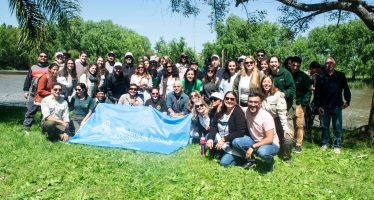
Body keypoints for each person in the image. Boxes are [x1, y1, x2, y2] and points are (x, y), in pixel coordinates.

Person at [232, 92, 280, 171]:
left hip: (271, 144)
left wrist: (252, 147)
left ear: (260, 103)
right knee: (236, 142)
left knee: (262, 152)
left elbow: (269, 139)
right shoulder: (246, 111)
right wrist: (221, 105)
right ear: (247, 102)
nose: (253, 104)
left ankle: (271, 161)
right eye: (250, 102)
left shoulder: (265, 116)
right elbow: (237, 106)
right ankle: (251, 160)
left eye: (256, 102)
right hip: (255, 141)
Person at [315, 57, 351, 154]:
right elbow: (317, 92)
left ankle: (337, 145)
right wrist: (317, 105)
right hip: (324, 106)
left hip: (337, 105)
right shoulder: (320, 77)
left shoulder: (340, 75)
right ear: (325, 65)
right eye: (327, 63)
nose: (329, 64)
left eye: (331, 63)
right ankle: (325, 143)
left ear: (334, 64)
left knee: (337, 126)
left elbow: (346, 89)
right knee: (325, 126)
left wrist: (347, 101)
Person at [206, 91, 248, 167]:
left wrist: (224, 139)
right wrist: (210, 138)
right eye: (227, 98)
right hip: (222, 138)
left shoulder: (238, 113)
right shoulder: (220, 110)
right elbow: (213, 126)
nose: (229, 101)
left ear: (236, 101)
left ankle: (242, 157)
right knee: (208, 137)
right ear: (224, 99)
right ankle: (219, 151)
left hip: (231, 141)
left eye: (232, 99)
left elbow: (240, 132)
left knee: (224, 163)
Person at [261, 75, 294, 162]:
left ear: (272, 83)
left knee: (288, 137)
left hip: (278, 120)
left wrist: (285, 128)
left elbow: (282, 113)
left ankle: (287, 156)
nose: (266, 84)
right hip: (267, 123)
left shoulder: (278, 95)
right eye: (264, 82)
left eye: (268, 82)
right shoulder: (260, 96)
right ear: (261, 83)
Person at [22, 52, 49, 131]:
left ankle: (43, 129)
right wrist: (26, 90)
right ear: (38, 57)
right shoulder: (33, 67)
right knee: (30, 112)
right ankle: (26, 129)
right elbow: (28, 80)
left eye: (45, 56)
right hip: (34, 94)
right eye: (41, 56)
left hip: (45, 95)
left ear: (47, 58)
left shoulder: (50, 68)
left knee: (45, 113)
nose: (43, 57)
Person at [290, 56, 312, 153]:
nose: (295, 67)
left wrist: (304, 103)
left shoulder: (304, 76)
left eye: (297, 66)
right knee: (288, 124)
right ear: (291, 64)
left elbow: (308, 91)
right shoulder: (287, 74)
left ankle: (298, 144)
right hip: (288, 104)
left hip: (299, 104)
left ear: (300, 66)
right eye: (294, 65)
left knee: (299, 125)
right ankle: (288, 142)